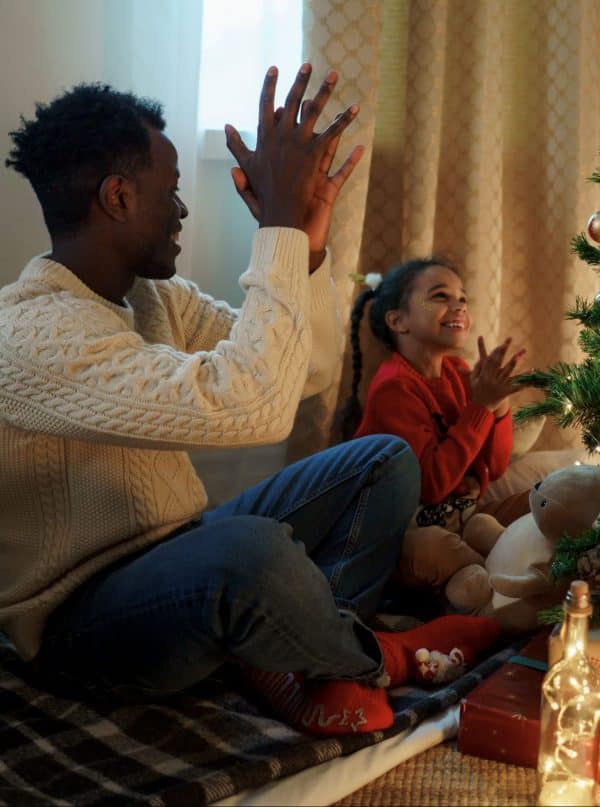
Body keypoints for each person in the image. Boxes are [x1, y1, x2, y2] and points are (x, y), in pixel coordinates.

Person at [0, 66, 501, 737]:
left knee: (381, 460)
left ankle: (303, 665)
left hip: (182, 550)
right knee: (251, 550)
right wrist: (279, 228)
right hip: (85, 620)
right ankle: (372, 656)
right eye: (170, 193)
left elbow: (305, 372)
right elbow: (252, 406)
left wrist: (308, 245)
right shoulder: (31, 333)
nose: (181, 211)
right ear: (118, 196)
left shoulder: (155, 298)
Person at [338, 258, 530, 597]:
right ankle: (509, 577)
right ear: (398, 321)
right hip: (408, 532)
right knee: (432, 548)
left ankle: (503, 570)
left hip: (466, 517)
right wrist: (480, 406)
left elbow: (495, 467)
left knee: (540, 498)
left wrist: (498, 404)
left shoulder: (457, 372)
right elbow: (432, 486)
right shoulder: (393, 388)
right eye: (441, 296)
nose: (458, 305)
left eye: (463, 298)